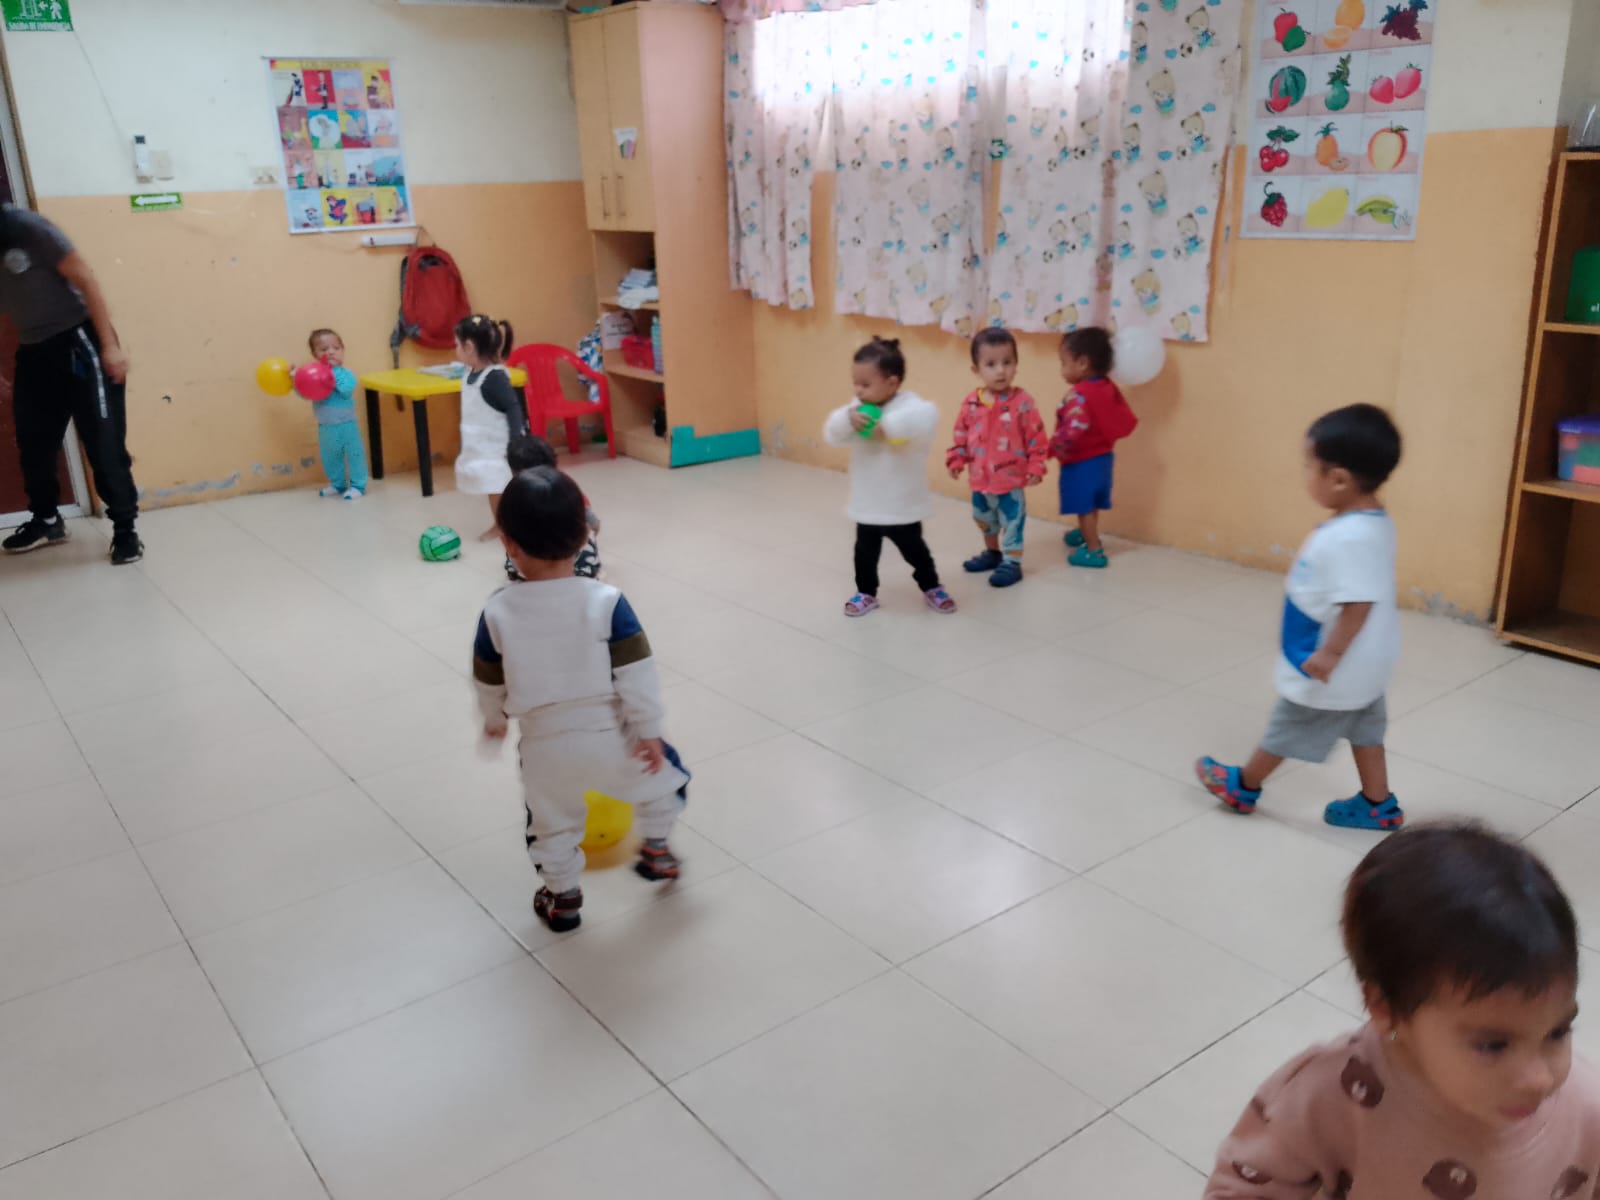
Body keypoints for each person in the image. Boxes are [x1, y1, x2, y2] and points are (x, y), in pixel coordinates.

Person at [1206, 822, 1599, 1198]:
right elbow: (1242, 1189)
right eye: (1493, 1045)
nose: (1539, 1078)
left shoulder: (1587, 1109)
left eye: (1557, 1032)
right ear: (1385, 1008)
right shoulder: (1331, 1096)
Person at [473, 467, 688, 933]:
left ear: (508, 544)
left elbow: (488, 680)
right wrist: (649, 731)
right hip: (613, 738)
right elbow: (637, 674)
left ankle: (562, 897)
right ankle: (656, 848)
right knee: (666, 781)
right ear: (584, 535)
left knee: (550, 825)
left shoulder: (497, 611)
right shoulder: (607, 601)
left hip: (544, 748)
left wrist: (494, 720)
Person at [1196, 403, 1404, 832]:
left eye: (1310, 467)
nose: (1305, 475)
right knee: (1366, 730)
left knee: (1288, 726)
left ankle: (1244, 785)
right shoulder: (1372, 522)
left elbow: (1358, 604)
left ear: (1339, 479)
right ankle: (1378, 803)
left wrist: (1330, 655)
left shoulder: (1349, 537)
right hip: (1366, 664)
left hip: (1332, 664)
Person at [0, 204, 142, 564]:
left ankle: (125, 529)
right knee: (34, 443)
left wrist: (109, 347)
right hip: (33, 351)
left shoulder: (25, 227)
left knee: (103, 443)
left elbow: (86, 279)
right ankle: (47, 520)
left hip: (79, 342)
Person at [822, 336, 955, 616]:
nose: (858, 390)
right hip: (868, 502)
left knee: (915, 550)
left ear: (892, 383)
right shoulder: (857, 409)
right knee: (864, 553)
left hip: (901, 504)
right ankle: (866, 592)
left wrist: (887, 427)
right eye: (855, 383)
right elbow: (833, 434)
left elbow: (926, 417)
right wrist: (847, 419)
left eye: (865, 384)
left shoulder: (910, 406)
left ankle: (931, 586)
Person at [946, 328, 1048, 588]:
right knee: (984, 520)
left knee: (1012, 522)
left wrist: (1036, 465)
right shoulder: (971, 403)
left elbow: (1036, 437)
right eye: (991, 364)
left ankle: (1012, 562)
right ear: (976, 369)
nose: (1000, 370)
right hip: (980, 481)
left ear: (1016, 365)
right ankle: (993, 552)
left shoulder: (1023, 402)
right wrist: (957, 458)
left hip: (1010, 481)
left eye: (1007, 362)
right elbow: (961, 434)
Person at [1050, 326, 1138, 569]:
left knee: (1084, 506)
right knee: (1091, 503)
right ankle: (1085, 533)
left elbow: (1072, 431)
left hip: (1082, 462)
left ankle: (1093, 549)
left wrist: (1052, 448)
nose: (1061, 369)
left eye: (1064, 362)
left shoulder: (1079, 396)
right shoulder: (1106, 387)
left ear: (1082, 363)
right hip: (1103, 459)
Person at [450, 313, 524, 539]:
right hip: (482, 444)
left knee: (498, 487)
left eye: (457, 345)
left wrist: (516, 439)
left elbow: (513, 407)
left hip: (499, 445)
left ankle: (503, 526)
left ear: (469, 347)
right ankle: (505, 523)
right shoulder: (471, 372)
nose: (456, 350)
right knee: (493, 487)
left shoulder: (494, 377)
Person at [503, 432, 601, 581]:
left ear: (514, 472)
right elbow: (592, 521)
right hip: (574, 565)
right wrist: (592, 531)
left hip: (528, 565)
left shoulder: (514, 495)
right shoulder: (564, 488)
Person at [303, 328, 367, 499]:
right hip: (325, 425)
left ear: (342, 350)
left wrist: (331, 374)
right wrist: (295, 380)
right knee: (330, 457)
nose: (331, 352)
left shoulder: (346, 373)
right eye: (324, 349)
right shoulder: (315, 375)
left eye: (336, 348)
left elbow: (346, 390)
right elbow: (305, 393)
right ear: (315, 354)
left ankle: (358, 485)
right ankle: (337, 484)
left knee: (354, 455)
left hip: (346, 424)